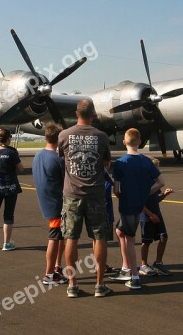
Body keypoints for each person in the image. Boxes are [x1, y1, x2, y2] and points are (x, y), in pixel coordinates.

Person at [57, 99, 112, 298]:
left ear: (76, 113)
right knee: (99, 237)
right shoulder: (102, 136)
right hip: (96, 194)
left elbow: (62, 159)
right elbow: (106, 163)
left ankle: (72, 284)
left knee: (71, 237)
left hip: (72, 195)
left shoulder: (64, 135)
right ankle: (100, 284)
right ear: (93, 114)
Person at [111, 128, 163, 290]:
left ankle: (134, 276)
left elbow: (116, 190)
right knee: (120, 232)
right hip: (138, 203)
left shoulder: (120, 163)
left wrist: (125, 195)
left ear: (124, 142)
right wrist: (145, 193)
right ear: (140, 142)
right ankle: (127, 268)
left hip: (128, 206)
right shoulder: (147, 161)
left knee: (130, 240)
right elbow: (160, 182)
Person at [32, 123, 68, 285]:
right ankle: (48, 275)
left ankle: (56, 268)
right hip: (56, 204)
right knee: (54, 238)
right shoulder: (57, 159)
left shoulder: (38, 156)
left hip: (46, 201)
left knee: (59, 237)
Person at [139, 157, 174, 277]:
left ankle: (158, 263)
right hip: (146, 216)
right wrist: (150, 215)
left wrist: (165, 194)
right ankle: (143, 265)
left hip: (156, 214)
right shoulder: (142, 183)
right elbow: (139, 203)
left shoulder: (156, 183)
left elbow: (156, 199)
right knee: (146, 241)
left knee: (163, 237)